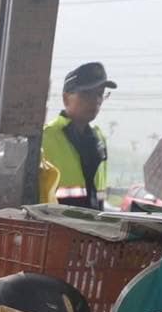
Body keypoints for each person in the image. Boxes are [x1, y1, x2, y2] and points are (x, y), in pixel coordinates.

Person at [43, 62, 115, 209]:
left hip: (94, 226)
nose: (96, 100)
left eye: (100, 94)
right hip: (57, 226)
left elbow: (100, 193)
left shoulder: (99, 138)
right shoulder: (46, 137)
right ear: (66, 98)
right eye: (87, 93)